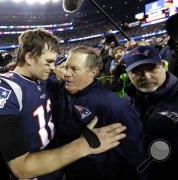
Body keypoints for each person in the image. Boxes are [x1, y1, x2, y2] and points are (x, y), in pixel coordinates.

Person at [0, 29, 126, 179]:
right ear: (29, 57)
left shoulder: (42, 80)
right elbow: (21, 168)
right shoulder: (2, 85)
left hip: (60, 167)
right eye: (48, 62)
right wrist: (82, 146)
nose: (53, 67)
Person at [49, 46, 145, 180]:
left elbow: (134, 157)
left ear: (93, 72)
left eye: (74, 69)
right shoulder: (59, 90)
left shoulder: (114, 107)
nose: (66, 73)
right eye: (66, 67)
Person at [123, 46, 178, 180]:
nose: (146, 76)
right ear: (128, 74)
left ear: (163, 66)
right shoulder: (124, 102)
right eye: (136, 71)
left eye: (151, 68)